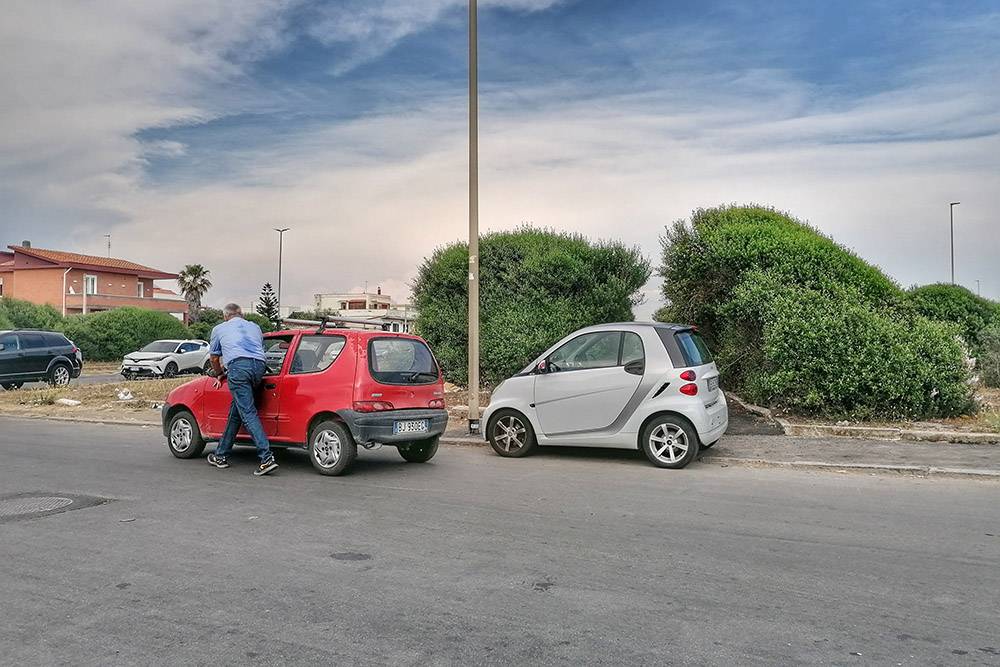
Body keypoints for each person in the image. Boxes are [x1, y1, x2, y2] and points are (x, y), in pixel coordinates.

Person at [205, 303, 278, 476]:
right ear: (241, 314)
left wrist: (220, 374)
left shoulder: (219, 329)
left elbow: (214, 358)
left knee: (248, 412)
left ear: (225, 316)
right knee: (236, 412)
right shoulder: (255, 327)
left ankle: (266, 457)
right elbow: (259, 350)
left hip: (238, 368)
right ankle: (221, 455)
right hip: (259, 367)